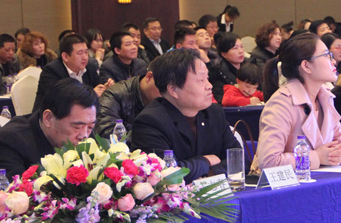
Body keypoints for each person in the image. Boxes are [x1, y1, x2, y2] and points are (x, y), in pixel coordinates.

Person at [0, 79, 99, 216]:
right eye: (77, 127)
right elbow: (20, 204)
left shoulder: (86, 139)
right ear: (48, 118)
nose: (84, 135)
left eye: (90, 127)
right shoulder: (10, 142)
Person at [130, 49, 240, 183]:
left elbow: (238, 160)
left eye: (207, 78)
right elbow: (163, 175)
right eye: (201, 80)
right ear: (173, 90)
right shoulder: (150, 122)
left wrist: (208, 175)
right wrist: (205, 161)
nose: (209, 86)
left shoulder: (214, 112)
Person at [250, 33, 341, 173]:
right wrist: (317, 157)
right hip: (287, 184)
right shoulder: (281, 103)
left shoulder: (325, 96)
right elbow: (269, 161)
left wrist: (340, 153)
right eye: (327, 55)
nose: (333, 61)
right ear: (306, 65)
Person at [33, 34, 111, 112]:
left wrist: (105, 87)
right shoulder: (51, 71)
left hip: (83, 114)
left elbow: (98, 84)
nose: (85, 57)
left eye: (86, 52)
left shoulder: (89, 66)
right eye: (80, 53)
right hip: (52, 115)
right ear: (65, 56)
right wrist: (91, 94)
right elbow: (61, 99)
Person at [95, 71, 160, 138]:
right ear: (149, 77)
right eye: (162, 86)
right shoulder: (113, 94)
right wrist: (150, 138)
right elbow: (106, 133)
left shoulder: (164, 100)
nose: (165, 93)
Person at [209, 32, 246, 103]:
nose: (241, 51)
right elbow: (221, 100)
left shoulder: (249, 67)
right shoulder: (218, 73)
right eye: (235, 48)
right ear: (224, 54)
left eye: (241, 46)